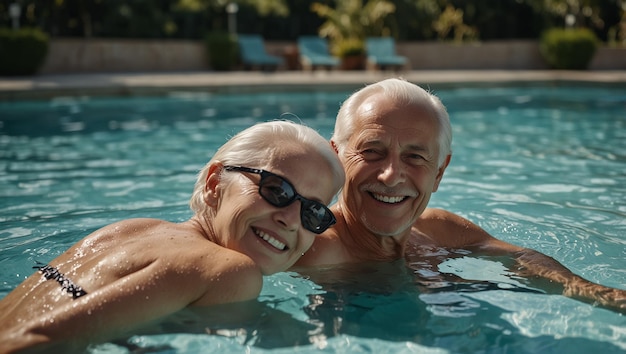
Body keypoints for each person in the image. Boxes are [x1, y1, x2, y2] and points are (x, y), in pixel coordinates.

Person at [0, 120, 345, 353]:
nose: (289, 219)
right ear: (214, 184)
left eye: (313, 212)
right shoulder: (231, 270)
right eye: (277, 189)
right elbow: (33, 341)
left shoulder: (131, 229)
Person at [294, 78, 625, 312]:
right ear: (336, 158)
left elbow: (522, 258)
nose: (392, 175)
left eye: (414, 156)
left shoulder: (437, 229)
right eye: (372, 151)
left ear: (439, 172)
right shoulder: (304, 250)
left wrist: (600, 295)